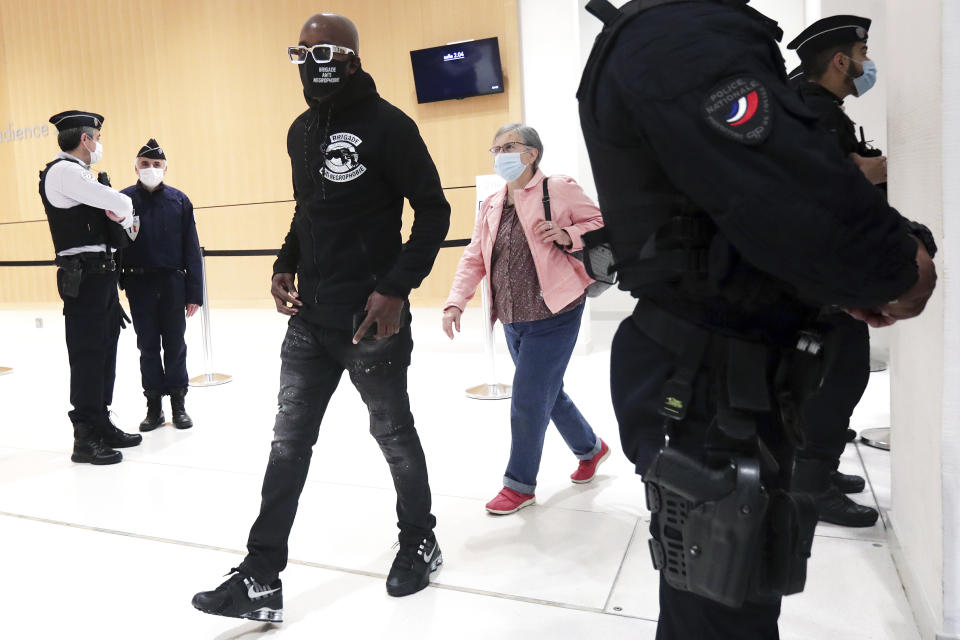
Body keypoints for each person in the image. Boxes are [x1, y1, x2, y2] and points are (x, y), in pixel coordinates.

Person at [577, 1, 936, 638]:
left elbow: (732, 208)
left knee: (728, 596)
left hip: (716, 369)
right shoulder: (684, 37)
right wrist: (894, 265)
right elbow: (781, 192)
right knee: (722, 606)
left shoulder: (680, 33)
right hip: (709, 380)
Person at [192, 13, 451, 623]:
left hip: (369, 319)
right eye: (301, 51)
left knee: (393, 436)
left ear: (353, 57)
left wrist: (394, 289)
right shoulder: (300, 130)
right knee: (287, 446)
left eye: (323, 49)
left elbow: (434, 213)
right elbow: (308, 210)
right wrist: (285, 261)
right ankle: (260, 578)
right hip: (310, 318)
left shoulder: (390, 125)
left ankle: (420, 536)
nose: (311, 60)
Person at [442, 123, 609, 515]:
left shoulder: (559, 188)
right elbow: (474, 255)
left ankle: (519, 485)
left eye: (509, 147)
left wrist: (568, 234)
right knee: (549, 393)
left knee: (528, 400)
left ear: (532, 153)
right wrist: (455, 302)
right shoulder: (493, 203)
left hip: (556, 311)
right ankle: (591, 448)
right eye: (495, 148)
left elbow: (601, 224)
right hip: (514, 317)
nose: (500, 155)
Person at [39, 110, 143, 465]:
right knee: (87, 355)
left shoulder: (79, 175)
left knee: (104, 351)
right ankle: (84, 436)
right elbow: (121, 204)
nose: (98, 143)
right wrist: (125, 212)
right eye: (96, 137)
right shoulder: (65, 172)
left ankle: (100, 421)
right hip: (84, 277)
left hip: (99, 275)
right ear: (85, 139)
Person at [120, 139, 203, 431]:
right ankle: (154, 406)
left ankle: (178, 404)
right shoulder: (123, 200)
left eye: (156, 165)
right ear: (136, 167)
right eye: (145, 164)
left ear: (165, 168)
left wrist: (195, 292)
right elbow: (115, 246)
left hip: (172, 282)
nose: (151, 169)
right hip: (138, 282)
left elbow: (192, 248)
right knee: (147, 346)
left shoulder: (179, 200)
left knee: (175, 344)